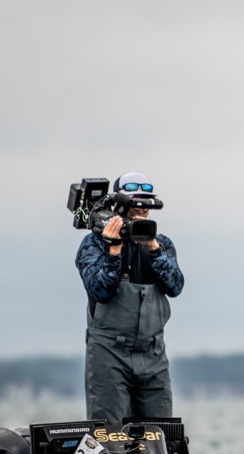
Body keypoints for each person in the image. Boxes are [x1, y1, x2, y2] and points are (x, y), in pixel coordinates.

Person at [75, 172, 184, 424]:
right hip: (109, 353)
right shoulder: (93, 244)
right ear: (120, 206)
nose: (141, 211)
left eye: (145, 206)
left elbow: (175, 286)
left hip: (153, 353)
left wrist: (153, 249)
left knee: (160, 432)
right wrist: (113, 250)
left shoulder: (162, 244)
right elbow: (100, 291)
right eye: (135, 204)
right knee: (108, 430)